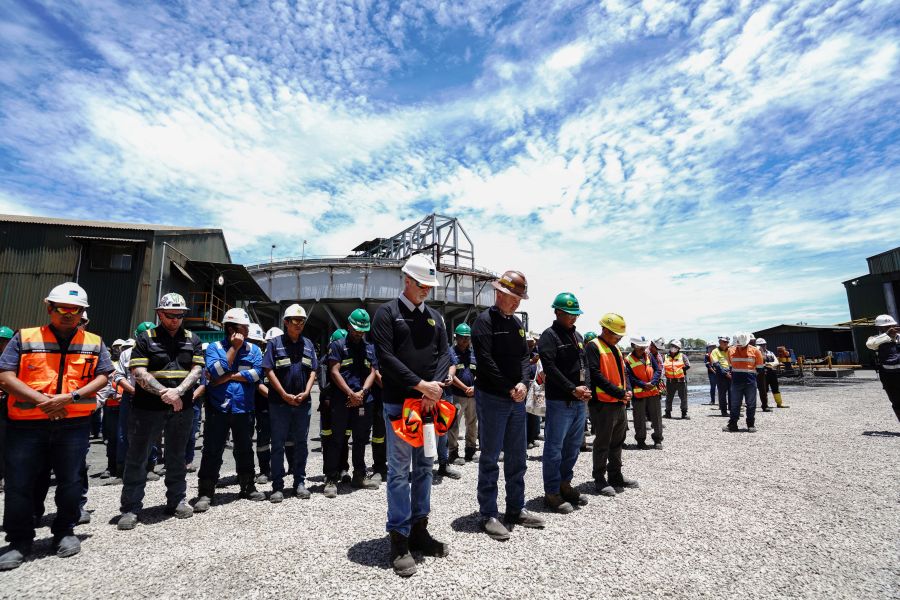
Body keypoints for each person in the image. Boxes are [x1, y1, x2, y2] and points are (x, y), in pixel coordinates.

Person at [0, 283, 113, 569]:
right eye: (62, 308)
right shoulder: (24, 338)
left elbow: (103, 376)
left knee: (71, 480)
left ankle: (64, 531)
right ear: (49, 307)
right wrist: (42, 401)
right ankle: (19, 539)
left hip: (73, 423)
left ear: (82, 312)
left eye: (75, 310)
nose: (68, 314)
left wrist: (71, 396)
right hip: (27, 423)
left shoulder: (94, 342)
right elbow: (5, 375)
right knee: (19, 483)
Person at [371, 253, 451, 577]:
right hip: (399, 405)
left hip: (428, 408)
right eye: (422, 285)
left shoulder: (435, 318)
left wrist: (435, 388)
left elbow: (444, 354)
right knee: (400, 471)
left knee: (425, 468)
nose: (426, 291)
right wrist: (421, 386)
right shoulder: (387, 315)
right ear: (407, 280)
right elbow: (386, 359)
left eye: (430, 286)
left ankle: (420, 528)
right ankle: (399, 539)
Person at [117, 293, 203, 530]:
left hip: (181, 408)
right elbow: (138, 373)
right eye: (170, 315)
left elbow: (196, 371)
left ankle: (176, 500)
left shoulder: (192, 339)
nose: (176, 319)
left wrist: (178, 392)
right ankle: (131, 508)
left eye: (180, 315)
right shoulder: (145, 339)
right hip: (148, 408)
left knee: (177, 456)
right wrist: (165, 393)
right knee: (138, 456)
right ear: (159, 313)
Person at [472, 270, 544, 541]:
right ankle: (488, 514)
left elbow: (525, 357)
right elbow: (485, 361)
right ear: (499, 293)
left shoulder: (516, 324)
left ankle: (515, 508)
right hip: (493, 397)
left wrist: (524, 383)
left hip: (516, 398)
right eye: (513, 297)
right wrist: (508, 386)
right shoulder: (484, 322)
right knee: (490, 457)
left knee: (518, 456)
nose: (517, 303)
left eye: (519, 298)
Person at [194, 308, 265, 512]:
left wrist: (228, 376)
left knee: (244, 449)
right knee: (212, 450)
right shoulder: (214, 348)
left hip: (244, 408)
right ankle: (206, 492)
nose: (247, 331)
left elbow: (256, 374)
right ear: (232, 329)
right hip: (219, 409)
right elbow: (215, 371)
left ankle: (247, 486)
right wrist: (234, 348)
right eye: (244, 328)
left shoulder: (254, 350)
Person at [538, 292, 591, 515]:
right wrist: (571, 388)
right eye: (569, 314)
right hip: (561, 401)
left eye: (575, 314)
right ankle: (551, 492)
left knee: (572, 447)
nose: (573, 318)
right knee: (554, 448)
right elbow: (550, 368)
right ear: (557, 312)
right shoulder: (549, 336)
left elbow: (585, 364)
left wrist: (586, 387)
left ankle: (564, 483)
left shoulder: (578, 337)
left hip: (579, 401)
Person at [262, 306, 318, 502]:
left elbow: (313, 370)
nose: (299, 324)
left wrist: (307, 391)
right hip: (280, 404)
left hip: (303, 403)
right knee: (277, 444)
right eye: (295, 321)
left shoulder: (308, 344)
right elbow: (268, 370)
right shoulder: (275, 344)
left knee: (302, 443)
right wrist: (284, 394)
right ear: (286, 322)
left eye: (302, 321)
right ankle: (277, 486)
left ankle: (299, 483)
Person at [325, 309, 380, 494]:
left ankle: (359, 476)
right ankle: (331, 479)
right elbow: (334, 371)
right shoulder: (338, 346)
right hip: (342, 400)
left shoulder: (370, 348)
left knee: (360, 439)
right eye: (356, 329)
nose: (359, 333)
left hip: (364, 400)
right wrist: (350, 393)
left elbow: (373, 372)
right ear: (348, 325)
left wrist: (362, 392)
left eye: (362, 330)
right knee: (337, 439)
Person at [586, 312, 638, 497]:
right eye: (617, 335)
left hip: (618, 402)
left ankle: (615, 475)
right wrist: (620, 393)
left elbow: (623, 373)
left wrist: (627, 391)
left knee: (618, 441)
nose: (619, 338)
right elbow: (595, 375)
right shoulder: (593, 347)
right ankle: (599, 479)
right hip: (603, 404)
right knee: (602, 443)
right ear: (606, 330)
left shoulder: (616, 349)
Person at [625, 336, 663, 450]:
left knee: (656, 417)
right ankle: (641, 441)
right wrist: (643, 384)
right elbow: (630, 377)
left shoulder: (649, 356)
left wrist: (653, 382)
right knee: (639, 419)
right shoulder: (628, 360)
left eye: (644, 346)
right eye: (639, 346)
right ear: (633, 346)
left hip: (653, 392)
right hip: (639, 394)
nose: (642, 348)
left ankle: (657, 439)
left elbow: (658, 370)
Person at [723, 332, 764, 433]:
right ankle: (733, 425)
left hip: (749, 382)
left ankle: (751, 424)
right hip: (737, 382)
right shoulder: (730, 351)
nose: (740, 346)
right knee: (735, 404)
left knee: (751, 404)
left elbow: (760, 368)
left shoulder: (755, 351)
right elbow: (730, 366)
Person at [866, 315, 900, 421]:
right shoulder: (875, 339)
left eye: (891, 325)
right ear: (879, 328)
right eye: (886, 327)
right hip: (888, 375)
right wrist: (887, 335)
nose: (890, 328)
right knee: (896, 401)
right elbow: (870, 345)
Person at [664, 339, 691, 419]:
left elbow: (688, 365)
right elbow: (662, 367)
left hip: (681, 381)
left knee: (683, 398)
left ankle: (684, 413)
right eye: (672, 346)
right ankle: (667, 413)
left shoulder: (683, 356)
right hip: (670, 381)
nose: (673, 348)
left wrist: (679, 370)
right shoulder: (665, 356)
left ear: (679, 348)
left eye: (676, 347)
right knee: (668, 398)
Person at [0, 326, 12, 494]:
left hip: (6, 406)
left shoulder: (13, 360)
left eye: (3, 341)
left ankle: (4, 476)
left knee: (5, 442)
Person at [710, 336, 732, 417]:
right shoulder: (714, 352)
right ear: (719, 342)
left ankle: (733, 411)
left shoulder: (730, 350)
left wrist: (732, 372)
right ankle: (724, 412)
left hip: (731, 372)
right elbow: (716, 365)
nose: (726, 344)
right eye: (724, 342)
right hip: (721, 375)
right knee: (722, 394)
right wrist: (726, 373)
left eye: (727, 342)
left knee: (732, 393)